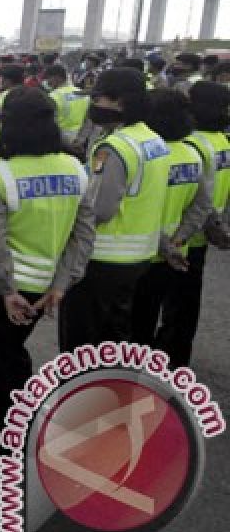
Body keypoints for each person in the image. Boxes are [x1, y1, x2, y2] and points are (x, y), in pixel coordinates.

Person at [0, 87, 95, 456]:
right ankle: (24, 418)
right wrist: (61, 284)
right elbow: (83, 234)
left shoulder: (1, 173)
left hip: (2, 286)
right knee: (14, 352)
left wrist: (7, 290)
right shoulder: (75, 168)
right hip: (47, 284)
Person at [59, 68, 173, 351]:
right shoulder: (153, 140)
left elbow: (100, 209)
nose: (94, 106)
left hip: (102, 259)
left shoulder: (114, 148)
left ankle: (81, 395)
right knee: (113, 342)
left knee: (81, 348)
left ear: (120, 102)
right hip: (139, 257)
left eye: (99, 99)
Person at [130, 89, 224, 365]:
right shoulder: (195, 150)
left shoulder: (145, 153)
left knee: (136, 322)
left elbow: (136, 209)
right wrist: (180, 239)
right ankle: (171, 367)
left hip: (143, 251)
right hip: (182, 246)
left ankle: (134, 378)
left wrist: (166, 243)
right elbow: (203, 203)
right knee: (178, 310)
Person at [42, 63, 90, 152]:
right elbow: (88, 121)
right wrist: (81, 139)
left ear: (57, 78)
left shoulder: (53, 96)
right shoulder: (82, 93)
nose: (47, 82)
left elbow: (50, 125)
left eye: (48, 78)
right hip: (81, 140)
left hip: (61, 142)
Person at [0, 64, 25, 156]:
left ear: (7, 80)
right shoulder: (35, 95)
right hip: (27, 143)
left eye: (0, 78)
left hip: (1, 145)